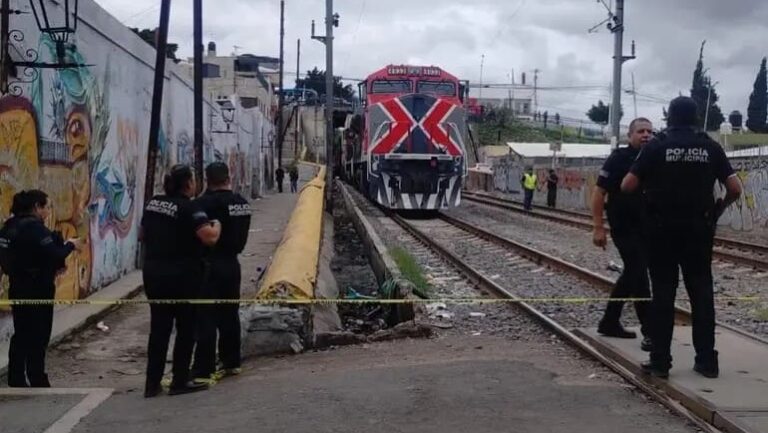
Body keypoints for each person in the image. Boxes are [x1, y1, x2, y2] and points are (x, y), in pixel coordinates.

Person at [622, 97, 742, 379]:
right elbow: (735, 188)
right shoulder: (710, 146)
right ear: (695, 117)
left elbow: (628, 185)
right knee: (701, 292)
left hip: (661, 229)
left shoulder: (656, 145)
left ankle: (661, 362)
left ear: (669, 118)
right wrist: (717, 210)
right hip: (699, 229)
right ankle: (707, 362)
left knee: (663, 293)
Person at [140, 164, 221, 397]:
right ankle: (179, 381)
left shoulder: (153, 204)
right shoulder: (190, 208)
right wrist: (217, 225)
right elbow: (209, 238)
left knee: (159, 329)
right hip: (183, 277)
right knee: (186, 329)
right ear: (188, 184)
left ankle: (152, 383)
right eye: (193, 180)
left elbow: (142, 235)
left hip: (154, 275)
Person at [0, 190, 82, 387]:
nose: (47, 212)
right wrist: (71, 245)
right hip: (38, 288)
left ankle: (16, 377)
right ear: (37, 207)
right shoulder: (36, 229)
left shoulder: (8, 228)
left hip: (18, 286)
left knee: (21, 332)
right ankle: (37, 377)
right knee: (39, 335)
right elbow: (55, 255)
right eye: (46, 207)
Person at [592, 118, 654, 352]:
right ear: (630, 136)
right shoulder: (619, 158)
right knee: (638, 272)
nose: (646, 135)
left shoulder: (654, 156)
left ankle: (609, 321)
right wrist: (598, 227)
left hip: (647, 227)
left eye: (650, 131)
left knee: (633, 273)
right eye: (641, 131)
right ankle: (650, 331)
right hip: (623, 226)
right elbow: (599, 193)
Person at [191, 162, 252, 381]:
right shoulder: (242, 203)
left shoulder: (202, 204)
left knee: (206, 317)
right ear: (229, 177)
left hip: (208, 265)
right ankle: (231, 361)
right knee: (229, 314)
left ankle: (204, 368)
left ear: (207, 180)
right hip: (232, 265)